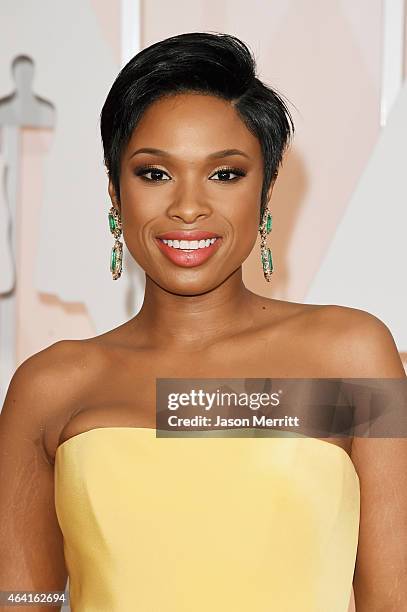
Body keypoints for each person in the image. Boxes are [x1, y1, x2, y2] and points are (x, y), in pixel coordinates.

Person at [0, 32, 406, 612]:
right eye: (154, 174)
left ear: (265, 194)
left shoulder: (350, 355)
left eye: (225, 174)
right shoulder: (51, 386)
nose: (188, 207)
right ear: (114, 192)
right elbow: (22, 598)